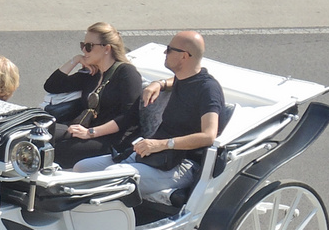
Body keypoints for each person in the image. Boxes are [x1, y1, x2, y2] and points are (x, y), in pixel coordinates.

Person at [74, 31, 225, 206]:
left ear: (184, 56)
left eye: (169, 49)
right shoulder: (184, 79)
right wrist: (159, 83)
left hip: (181, 164)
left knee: (115, 175)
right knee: (82, 168)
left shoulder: (208, 90)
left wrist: (161, 144)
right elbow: (177, 81)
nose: (165, 53)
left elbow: (209, 135)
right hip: (154, 154)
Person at [42, 23, 143, 169]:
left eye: (89, 46)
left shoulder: (127, 73)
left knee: (54, 152)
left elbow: (128, 117)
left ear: (106, 48)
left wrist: (90, 133)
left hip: (112, 139)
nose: (84, 50)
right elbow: (52, 85)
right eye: (82, 45)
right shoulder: (93, 73)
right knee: (39, 134)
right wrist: (75, 59)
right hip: (86, 130)